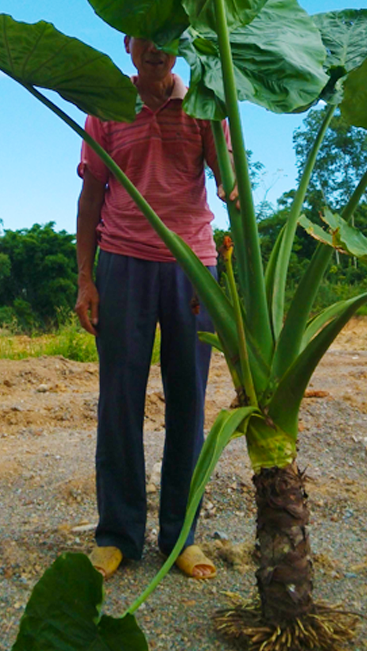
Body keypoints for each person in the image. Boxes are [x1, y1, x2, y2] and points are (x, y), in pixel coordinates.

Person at [75, 36, 231, 580]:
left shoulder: (203, 102)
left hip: (193, 266)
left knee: (188, 399)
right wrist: (85, 279)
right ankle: (117, 533)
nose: (155, 48)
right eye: (145, 37)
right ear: (128, 44)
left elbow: (226, 180)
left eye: (167, 38)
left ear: (178, 47)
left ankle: (181, 535)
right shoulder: (108, 107)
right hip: (122, 260)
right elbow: (91, 192)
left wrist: (221, 117)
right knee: (119, 400)